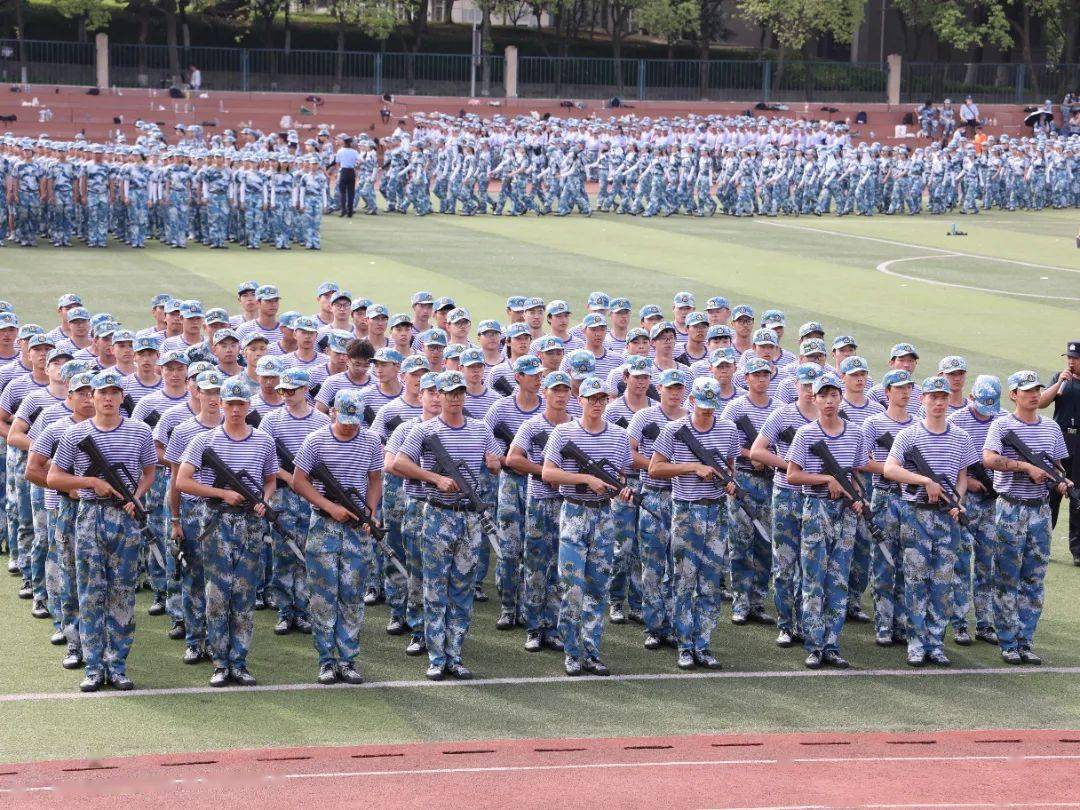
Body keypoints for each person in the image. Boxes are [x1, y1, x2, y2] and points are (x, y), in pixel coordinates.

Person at [48, 368, 157, 692]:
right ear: (91, 398)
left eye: (114, 393)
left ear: (122, 397)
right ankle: (94, 667)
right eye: (102, 393)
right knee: (91, 594)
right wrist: (90, 482)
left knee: (122, 593)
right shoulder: (75, 434)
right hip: (90, 515)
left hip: (124, 518)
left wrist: (135, 497)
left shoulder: (138, 432)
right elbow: (54, 478)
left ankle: (118, 665)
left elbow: (149, 471)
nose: (108, 398)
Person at [394, 370, 500, 681]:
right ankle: (437, 657)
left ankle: (455, 654)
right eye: (449, 393)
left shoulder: (480, 429)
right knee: (435, 587)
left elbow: (495, 460)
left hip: (468, 517)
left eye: (459, 393)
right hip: (438, 513)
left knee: (462, 588)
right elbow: (399, 463)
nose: (454, 398)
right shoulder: (424, 431)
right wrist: (435, 478)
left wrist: (494, 463)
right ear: (438, 395)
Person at [175, 376, 279, 687]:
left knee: (244, 595)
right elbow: (182, 481)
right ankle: (220, 662)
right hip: (216, 522)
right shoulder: (204, 441)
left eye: (241, 404)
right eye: (230, 403)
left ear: (249, 406)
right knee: (217, 595)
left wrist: (264, 501)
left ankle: (240, 661)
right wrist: (221, 494)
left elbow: (271, 479)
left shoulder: (263, 441)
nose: (235, 409)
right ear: (221, 404)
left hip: (249, 523)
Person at [884, 376, 980, 667]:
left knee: (942, 582)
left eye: (943, 397)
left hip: (946, 517)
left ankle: (935, 642)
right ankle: (916, 642)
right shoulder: (909, 436)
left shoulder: (961, 437)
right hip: (916, 514)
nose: (939, 403)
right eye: (933, 397)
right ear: (922, 399)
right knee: (916, 580)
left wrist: (958, 500)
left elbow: (963, 475)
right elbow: (890, 469)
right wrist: (923, 479)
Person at [542, 375, 633, 677]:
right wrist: (585, 479)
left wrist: (617, 488)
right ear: (579, 400)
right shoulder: (563, 432)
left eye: (601, 399)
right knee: (571, 588)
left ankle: (591, 651)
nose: (596, 403)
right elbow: (548, 473)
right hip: (574, 513)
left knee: (597, 587)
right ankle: (571, 651)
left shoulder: (619, 436)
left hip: (604, 515)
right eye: (591, 398)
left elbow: (620, 476)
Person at [291, 389, 383, 686]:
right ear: (332, 413)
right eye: (345, 420)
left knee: (352, 596)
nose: (350, 426)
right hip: (324, 525)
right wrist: (330, 505)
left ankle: (348, 659)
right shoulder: (315, 440)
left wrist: (369, 511)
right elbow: (298, 480)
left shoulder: (370, 441)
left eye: (355, 421)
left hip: (357, 527)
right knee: (323, 596)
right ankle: (327, 660)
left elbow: (375, 478)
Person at [983, 370, 1071, 665]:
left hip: (1040, 509)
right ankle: (1008, 641)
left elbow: (1057, 466)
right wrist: (1024, 467)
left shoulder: (1051, 428)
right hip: (1010, 507)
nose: (1034, 395)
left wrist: (1062, 481)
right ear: (1013, 395)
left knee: (1034, 578)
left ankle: (1025, 640)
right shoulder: (1002, 425)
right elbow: (989, 458)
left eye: (1037, 390)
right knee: (1007, 576)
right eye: (1027, 390)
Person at [649, 377, 738, 669]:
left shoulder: (728, 429)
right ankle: (684, 645)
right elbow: (655, 469)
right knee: (684, 580)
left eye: (711, 408)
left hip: (716, 511)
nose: (706, 413)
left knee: (710, 582)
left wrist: (730, 484)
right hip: (686, 511)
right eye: (702, 407)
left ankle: (704, 644)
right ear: (691, 402)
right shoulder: (674, 431)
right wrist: (692, 467)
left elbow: (730, 466)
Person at [785, 373, 871, 670]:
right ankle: (814, 644)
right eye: (824, 395)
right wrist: (826, 479)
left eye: (834, 395)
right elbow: (792, 475)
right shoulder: (806, 434)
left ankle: (832, 644)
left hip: (845, 512)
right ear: (815, 399)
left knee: (838, 580)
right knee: (813, 580)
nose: (830, 401)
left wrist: (860, 497)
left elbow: (858, 472)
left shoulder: (856, 433)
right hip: (817, 508)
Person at [1038, 340, 1080, 566]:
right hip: (1060, 437)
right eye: (1069, 358)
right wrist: (1059, 383)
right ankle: (1043, 544)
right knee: (1052, 491)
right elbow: (1042, 403)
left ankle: (1078, 551)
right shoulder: (1059, 378)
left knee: (1078, 495)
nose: (1071, 361)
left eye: (1075, 358)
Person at [335, 137, 359, 219]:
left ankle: (343, 210)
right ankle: (350, 211)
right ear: (350, 143)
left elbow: (337, 162)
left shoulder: (340, 151)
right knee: (351, 193)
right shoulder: (355, 151)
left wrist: (339, 170)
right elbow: (361, 160)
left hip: (343, 171)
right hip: (351, 171)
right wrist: (355, 165)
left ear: (344, 143)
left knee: (342, 192)